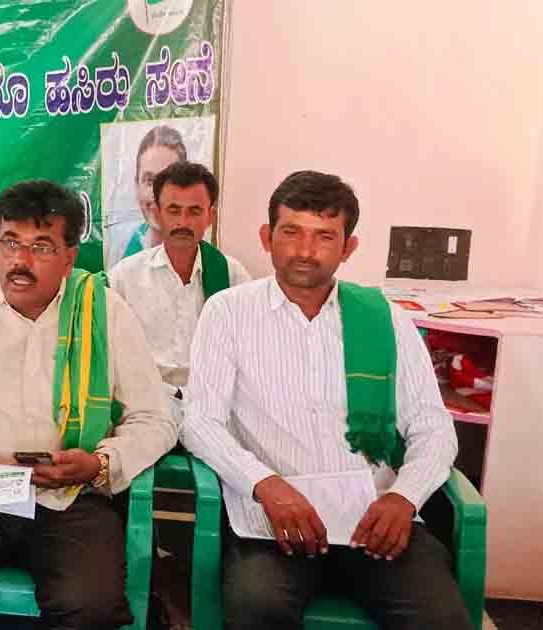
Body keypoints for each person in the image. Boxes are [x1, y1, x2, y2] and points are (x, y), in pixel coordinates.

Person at [181, 171, 470, 630]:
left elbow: (433, 428)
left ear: (348, 247)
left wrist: (404, 499)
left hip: (377, 522)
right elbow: (199, 421)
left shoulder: (385, 321)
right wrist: (266, 484)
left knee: (442, 620)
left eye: (324, 236)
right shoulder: (229, 314)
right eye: (291, 231)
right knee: (256, 611)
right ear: (267, 237)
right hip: (272, 527)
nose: (304, 250)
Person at [0, 180, 177, 630]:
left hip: (69, 494)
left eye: (41, 246)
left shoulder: (103, 312)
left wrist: (100, 464)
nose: (20, 261)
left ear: (69, 257)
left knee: (90, 607)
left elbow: (155, 419)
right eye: (9, 243)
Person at [109, 161, 249, 411]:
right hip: (145, 403)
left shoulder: (232, 274)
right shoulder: (125, 277)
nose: (183, 222)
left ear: (210, 216)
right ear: (157, 213)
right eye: (173, 210)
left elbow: (249, 353)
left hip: (213, 403)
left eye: (194, 211)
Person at [105, 125, 186, 271]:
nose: (158, 194)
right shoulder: (120, 259)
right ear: (137, 185)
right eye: (150, 181)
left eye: (169, 181)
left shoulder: (212, 263)